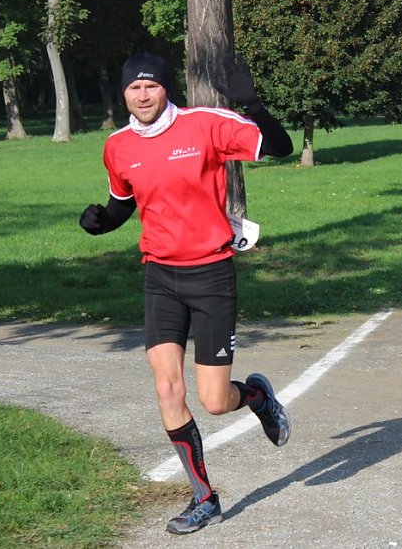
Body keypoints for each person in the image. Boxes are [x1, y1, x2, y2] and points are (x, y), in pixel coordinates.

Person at [79, 51, 293, 534]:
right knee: (165, 387)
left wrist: (253, 107)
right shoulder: (117, 146)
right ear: (124, 93)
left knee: (215, 401)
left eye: (151, 86)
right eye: (134, 88)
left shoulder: (205, 125)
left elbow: (278, 147)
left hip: (212, 274)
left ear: (166, 89)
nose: (142, 95)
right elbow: (122, 203)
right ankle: (204, 497)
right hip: (160, 277)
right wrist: (100, 223)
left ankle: (257, 397)